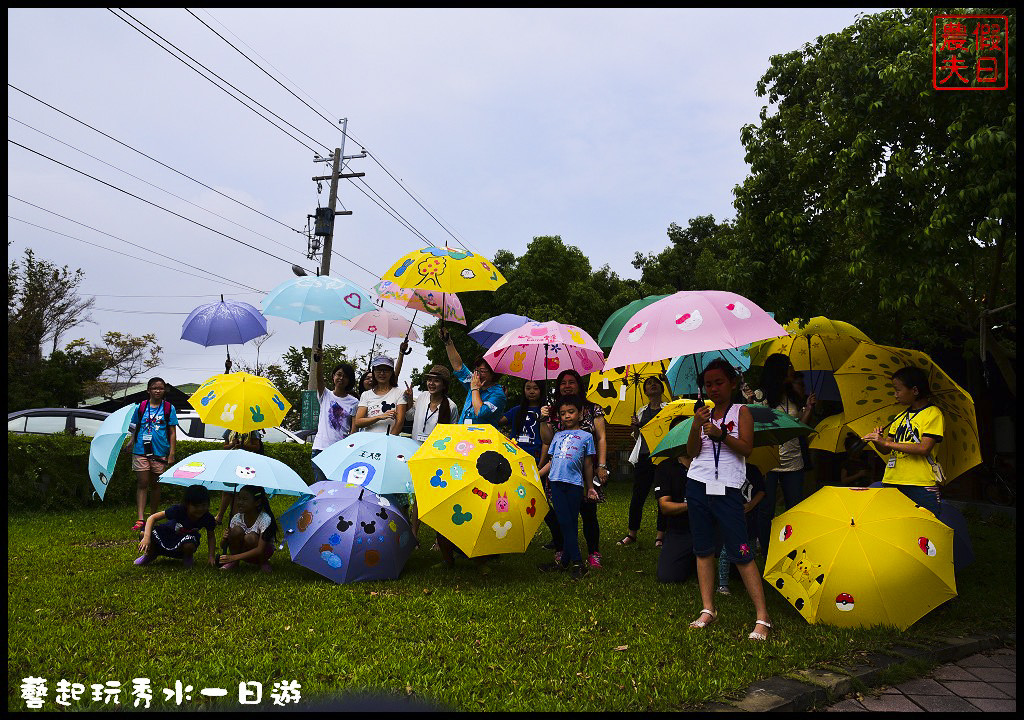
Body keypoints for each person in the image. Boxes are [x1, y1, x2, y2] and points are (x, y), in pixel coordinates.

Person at [685, 358, 772, 641]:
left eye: (719, 383)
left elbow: (746, 448)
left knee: (741, 549)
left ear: (732, 383)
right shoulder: (702, 415)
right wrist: (696, 425)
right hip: (698, 483)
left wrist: (721, 434)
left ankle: (762, 616)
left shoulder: (741, 411)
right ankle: (708, 608)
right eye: (708, 384)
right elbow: (692, 451)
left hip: (728, 487)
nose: (713, 389)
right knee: (703, 549)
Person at [540, 369, 609, 570]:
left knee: (588, 512)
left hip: (585, 468)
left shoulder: (592, 408)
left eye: (571, 382)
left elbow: (601, 437)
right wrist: (544, 418)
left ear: (579, 384)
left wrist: (602, 466)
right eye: (563, 382)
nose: (567, 386)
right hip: (560, 471)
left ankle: (593, 552)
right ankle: (565, 552)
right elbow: (547, 439)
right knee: (564, 515)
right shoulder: (554, 412)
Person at [861, 366, 945, 516]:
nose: (895, 395)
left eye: (898, 390)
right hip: (892, 480)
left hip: (920, 484)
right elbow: (886, 450)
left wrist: (887, 443)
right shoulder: (899, 417)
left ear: (914, 391)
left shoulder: (933, 414)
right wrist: (878, 441)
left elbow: (924, 448)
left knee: (925, 530)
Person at [755, 353, 816, 556]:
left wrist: (808, 408)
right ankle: (767, 550)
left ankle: (793, 548)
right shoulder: (759, 396)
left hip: (793, 460)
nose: (792, 369)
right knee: (766, 509)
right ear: (778, 371)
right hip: (769, 462)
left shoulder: (792, 396)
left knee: (794, 507)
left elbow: (799, 428)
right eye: (788, 366)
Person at [537, 395, 599, 579]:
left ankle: (576, 562)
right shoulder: (557, 436)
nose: (567, 416)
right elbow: (552, 460)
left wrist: (589, 487)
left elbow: (588, 465)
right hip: (555, 483)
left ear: (580, 414)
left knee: (569, 522)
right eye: (563, 413)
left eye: (571, 412)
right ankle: (569, 562)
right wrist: (537, 476)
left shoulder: (587, 436)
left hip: (574, 484)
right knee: (566, 522)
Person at [500, 380, 560, 555]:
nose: (532, 391)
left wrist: (541, 463)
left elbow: (546, 441)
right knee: (513, 499)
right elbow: (497, 421)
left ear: (541, 391)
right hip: (514, 461)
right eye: (528, 388)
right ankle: (514, 536)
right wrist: (502, 400)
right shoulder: (517, 411)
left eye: (536, 388)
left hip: (534, 462)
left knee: (540, 501)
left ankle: (559, 537)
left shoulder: (546, 412)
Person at [403, 365, 458, 538]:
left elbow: (451, 434)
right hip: (416, 452)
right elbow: (410, 416)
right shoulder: (422, 398)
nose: (431, 383)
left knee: (437, 497)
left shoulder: (451, 406)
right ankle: (413, 534)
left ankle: (439, 538)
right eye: (429, 379)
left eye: (436, 380)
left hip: (436, 457)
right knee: (418, 495)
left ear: (444, 384)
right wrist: (410, 400)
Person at [620, 376, 669, 548]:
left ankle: (660, 536)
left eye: (655, 382)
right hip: (643, 457)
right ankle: (632, 534)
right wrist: (635, 426)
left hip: (662, 458)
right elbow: (636, 437)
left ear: (662, 388)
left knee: (662, 496)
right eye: (648, 384)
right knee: (637, 496)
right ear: (645, 391)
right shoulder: (641, 411)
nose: (652, 385)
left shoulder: (667, 408)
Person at [130, 377, 178, 535]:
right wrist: (131, 442)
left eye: (161, 388)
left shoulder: (168, 408)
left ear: (164, 390)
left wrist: (171, 453)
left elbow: (172, 432)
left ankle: (153, 516)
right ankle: (140, 518)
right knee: (142, 482)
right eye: (154, 388)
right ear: (148, 390)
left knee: (156, 485)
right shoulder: (141, 407)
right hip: (140, 450)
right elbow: (135, 427)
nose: (158, 390)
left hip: (160, 452)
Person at [134, 484, 215, 568]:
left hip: (185, 541)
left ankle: (187, 557)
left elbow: (211, 536)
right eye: (196, 506)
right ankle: (150, 554)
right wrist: (146, 538)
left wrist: (211, 556)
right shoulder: (178, 510)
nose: (200, 509)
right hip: (167, 534)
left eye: (204, 505)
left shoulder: (207, 517)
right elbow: (152, 518)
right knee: (143, 534)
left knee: (189, 545)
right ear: (187, 504)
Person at [440, 326, 506, 426]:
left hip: (482, 439)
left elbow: (480, 412)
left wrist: (475, 389)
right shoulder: (473, 381)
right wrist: (448, 342)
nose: (478, 374)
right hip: (464, 436)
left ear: (494, 373)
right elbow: (458, 366)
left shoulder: (498, 395)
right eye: (476, 370)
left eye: (482, 371)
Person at [717, 464, 766, 594]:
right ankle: (723, 584)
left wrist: (751, 505)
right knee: (726, 551)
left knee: (749, 551)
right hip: (731, 518)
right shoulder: (725, 469)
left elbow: (761, 491)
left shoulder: (753, 470)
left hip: (750, 521)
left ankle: (749, 582)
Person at [311, 362, 359, 484]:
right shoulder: (325, 394)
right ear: (333, 376)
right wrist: (319, 361)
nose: (341, 378)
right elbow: (319, 379)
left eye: (345, 376)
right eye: (339, 374)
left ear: (350, 380)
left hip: (340, 451)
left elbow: (354, 428)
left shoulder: (354, 402)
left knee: (336, 488)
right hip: (320, 449)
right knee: (320, 488)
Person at [654, 454, 695, 584]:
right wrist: (694, 504)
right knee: (668, 576)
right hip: (680, 529)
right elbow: (665, 506)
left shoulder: (709, 463)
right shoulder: (666, 467)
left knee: (737, 568)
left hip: (709, 525)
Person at [219, 485, 279, 572]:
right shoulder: (237, 518)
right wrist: (225, 538)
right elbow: (222, 545)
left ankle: (263, 562)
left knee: (250, 537)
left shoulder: (264, 519)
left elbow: (260, 549)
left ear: (257, 502)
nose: (239, 502)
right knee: (236, 531)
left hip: (262, 553)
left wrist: (234, 557)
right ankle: (235, 563)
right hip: (243, 551)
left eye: (245, 499)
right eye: (239, 498)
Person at [214, 428, 266, 526]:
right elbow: (225, 446)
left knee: (239, 491)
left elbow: (257, 447)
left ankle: (236, 517)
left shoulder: (252, 431)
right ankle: (220, 516)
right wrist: (232, 444)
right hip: (231, 462)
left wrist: (243, 446)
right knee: (227, 489)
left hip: (247, 464)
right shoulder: (229, 430)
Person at [352, 356, 408, 435]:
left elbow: (399, 422)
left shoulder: (399, 393)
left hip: (388, 443)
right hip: (369, 441)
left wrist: (389, 440)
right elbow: (358, 422)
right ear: (374, 372)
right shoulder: (366, 395)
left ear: (391, 372)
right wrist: (379, 417)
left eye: (386, 370)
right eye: (378, 370)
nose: (382, 373)